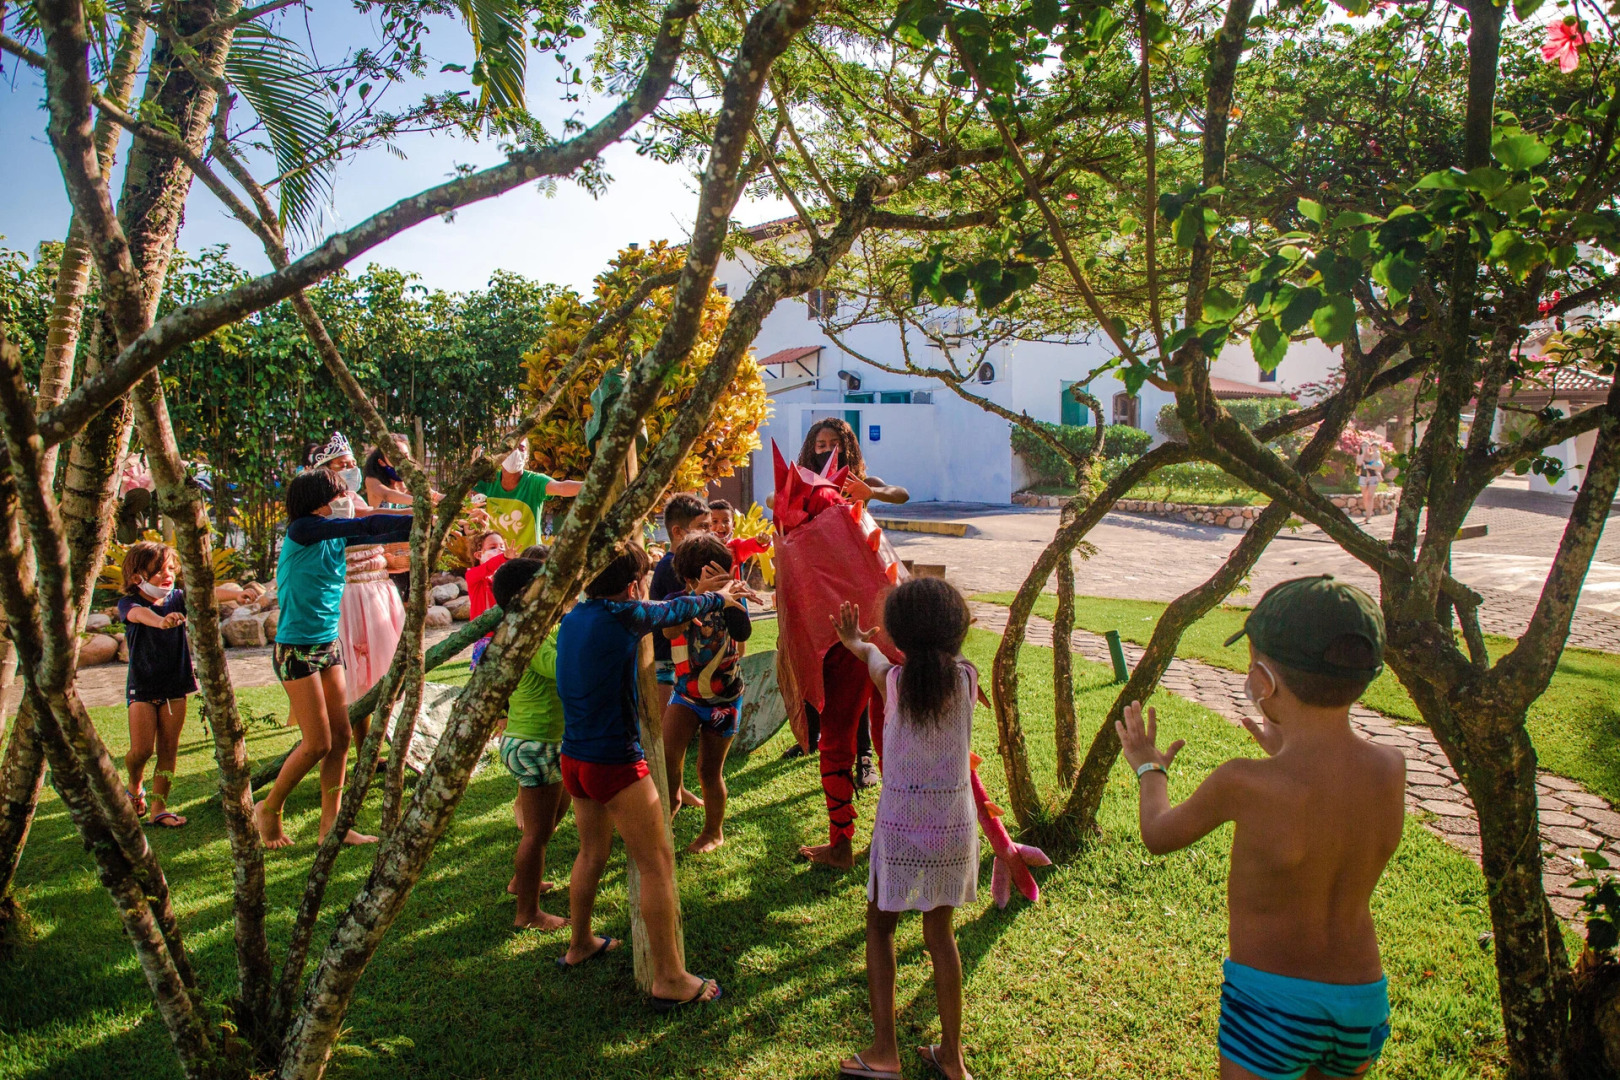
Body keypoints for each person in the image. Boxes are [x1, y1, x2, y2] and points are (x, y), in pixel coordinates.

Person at [1115, 575, 1403, 1080]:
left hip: (1273, 1003)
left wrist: (1148, 766)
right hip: (1362, 1001)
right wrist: (1286, 751)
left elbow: (1159, 835)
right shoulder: (1391, 767)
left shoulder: (1243, 781)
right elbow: (1327, 804)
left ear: (1264, 682)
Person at [552, 543, 749, 1010]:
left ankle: (579, 943)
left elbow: (671, 610)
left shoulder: (576, 615)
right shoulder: (622, 615)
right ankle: (670, 977)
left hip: (574, 759)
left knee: (592, 851)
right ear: (630, 585)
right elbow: (677, 608)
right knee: (657, 862)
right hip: (614, 762)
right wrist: (719, 597)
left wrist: (707, 596)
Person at [832, 578, 978, 1080]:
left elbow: (874, 659)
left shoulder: (893, 681)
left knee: (880, 926)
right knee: (941, 935)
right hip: (953, 829)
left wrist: (855, 640)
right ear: (956, 631)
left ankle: (884, 1052)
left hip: (900, 828)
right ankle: (953, 1059)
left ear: (899, 634)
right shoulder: (966, 680)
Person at [254, 469, 413, 850]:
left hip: (328, 644)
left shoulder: (334, 531)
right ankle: (269, 808)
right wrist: (418, 513)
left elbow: (380, 531)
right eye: (340, 493)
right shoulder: (304, 530)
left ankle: (333, 827)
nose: (347, 497)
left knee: (341, 738)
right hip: (296, 649)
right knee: (317, 743)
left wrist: (433, 519)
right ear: (318, 501)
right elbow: (371, 521)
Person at [784, 419, 911, 840]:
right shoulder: (800, 486)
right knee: (837, 713)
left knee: (886, 708)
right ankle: (843, 835)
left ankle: (885, 794)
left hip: (873, 602)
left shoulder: (858, 480)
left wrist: (869, 493)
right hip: (828, 613)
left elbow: (901, 493)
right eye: (819, 444)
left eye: (832, 444)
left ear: (847, 446)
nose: (824, 450)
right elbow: (775, 501)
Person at [491, 556, 571, 932]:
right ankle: (528, 912)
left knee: (552, 816)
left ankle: (522, 881)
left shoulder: (534, 627)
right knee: (537, 833)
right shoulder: (531, 633)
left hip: (542, 742)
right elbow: (561, 671)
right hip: (534, 744)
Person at [659, 534, 752, 854]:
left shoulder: (731, 596)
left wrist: (732, 599)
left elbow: (743, 633)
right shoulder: (677, 599)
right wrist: (700, 595)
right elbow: (669, 631)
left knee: (709, 771)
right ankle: (669, 810)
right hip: (685, 696)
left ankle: (713, 832)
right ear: (689, 578)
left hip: (724, 700)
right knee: (668, 758)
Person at [306, 433, 407, 704]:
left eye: (352, 464)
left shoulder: (357, 499)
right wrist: (414, 511)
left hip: (378, 588)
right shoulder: (328, 507)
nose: (350, 471)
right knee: (356, 667)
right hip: (351, 594)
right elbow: (368, 519)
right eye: (342, 466)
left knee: (384, 667)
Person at [117, 542, 200, 829]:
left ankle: (159, 810)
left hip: (176, 685)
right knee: (141, 751)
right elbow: (140, 617)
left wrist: (239, 594)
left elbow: (208, 593)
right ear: (137, 575)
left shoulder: (178, 599)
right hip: (143, 687)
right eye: (159, 570)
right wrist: (161, 621)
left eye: (170, 568)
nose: (168, 574)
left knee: (168, 749)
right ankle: (134, 784)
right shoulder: (130, 603)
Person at [649, 493, 711, 811]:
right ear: (678, 532)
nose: (709, 533)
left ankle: (678, 789)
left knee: (676, 736)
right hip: (663, 662)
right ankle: (661, 796)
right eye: (702, 527)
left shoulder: (688, 564)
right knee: (663, 737)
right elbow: (668, 620)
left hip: (683, 660)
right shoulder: (666, 569)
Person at [473, 437, 583, 552]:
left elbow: (561, 487)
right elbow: (468, 500)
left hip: (529, 558)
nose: (515, 452)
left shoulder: (534, 482)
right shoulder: (489, 481)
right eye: (510, 448)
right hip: (496, 558)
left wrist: (596, 483)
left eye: (521, 449)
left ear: (527, 457)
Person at [464, 530, 509, 669]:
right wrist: (504, 558)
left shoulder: (503, 577)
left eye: (502, 546)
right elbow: (488, 567)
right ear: (478, 554)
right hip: (485, 636)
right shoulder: (473, 576)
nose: (500, 550)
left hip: (504, 633)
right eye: (493, 547)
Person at [707, 498, 771, 580]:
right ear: (706, 524)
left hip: (732, 591)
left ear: (733, 525)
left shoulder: (735, 546)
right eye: (715, 521)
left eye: (726, 521)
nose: (721, 526)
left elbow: (748, 545)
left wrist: (760, 541)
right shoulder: (701, 547)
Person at [1356, 437, 1385, 521]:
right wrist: (1363, 454)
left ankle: (1368, 516)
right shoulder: (1359, 456)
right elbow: (1359, 463)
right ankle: (1368, 511)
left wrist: (1371, 466)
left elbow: (1381, 466)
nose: (1364, 447)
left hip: (1373, 477)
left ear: (1369, 446)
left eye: (1366, 445)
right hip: (1363, 477)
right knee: (1365, 496)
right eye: (1362, 445)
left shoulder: (1374, 455)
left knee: (1370, 496)